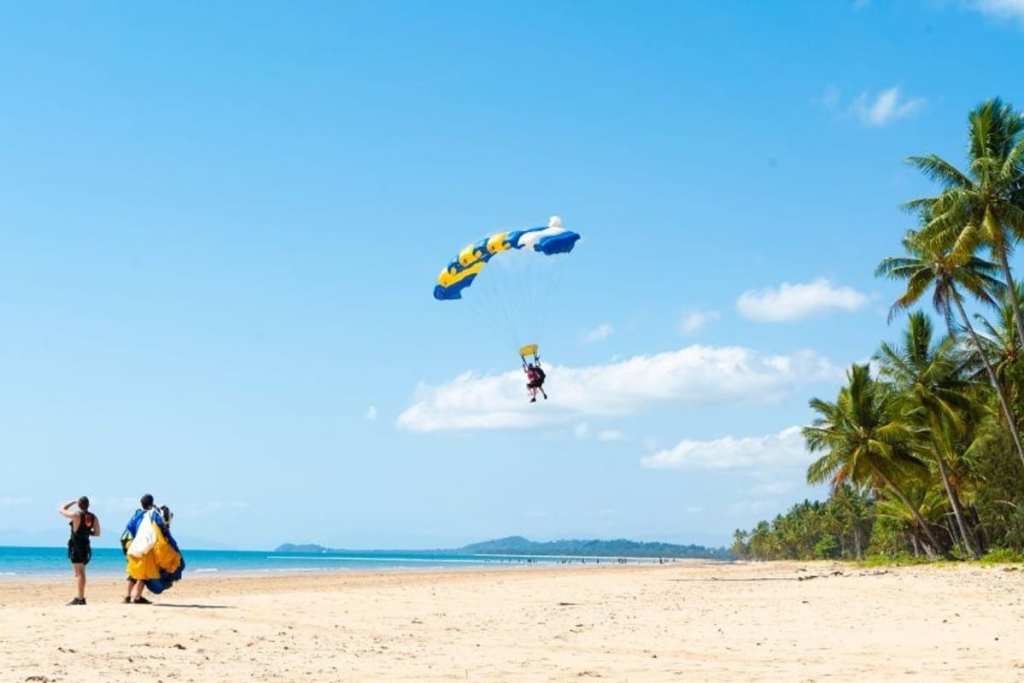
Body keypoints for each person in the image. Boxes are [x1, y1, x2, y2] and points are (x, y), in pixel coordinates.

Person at [59, 496, 100, 606]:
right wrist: (86, 532)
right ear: (88, 505)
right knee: (81, 572)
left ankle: (80, 598)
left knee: (79, 573)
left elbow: (61, 510)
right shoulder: (93, 517)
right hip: (86, 546)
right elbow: (97, 533)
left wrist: (72, 501)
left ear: (79, 505)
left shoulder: (76, 515)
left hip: (76, 546)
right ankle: (80, 597)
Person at [122, 494, 156, 604]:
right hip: (144, 546)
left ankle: (127, 596)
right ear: (151, 503)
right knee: (143, 573)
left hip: (133, 545)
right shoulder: (151, 515)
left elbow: (130, 528)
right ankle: (137, 597)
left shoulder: (137, 514)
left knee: (133, 571)